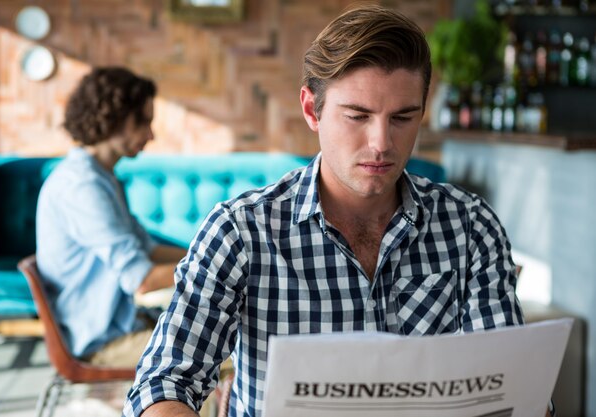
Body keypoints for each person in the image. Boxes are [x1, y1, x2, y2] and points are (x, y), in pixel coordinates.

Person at [122, 6, 553, 417]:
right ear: (312, 109)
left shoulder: (470, 227)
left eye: (403, 117)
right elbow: (164, 382)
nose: (382, 143)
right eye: (358, 116)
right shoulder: (240, 231)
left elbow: (510, 383)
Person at [36, 66, 186, 367]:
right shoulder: (82, 187)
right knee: (228, 349)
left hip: (125, 323)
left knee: (225, 332)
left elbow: (150, 250)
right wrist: (215, 266)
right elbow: (141, 280)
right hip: (102, 342)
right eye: (142, 122)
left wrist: (217, 255)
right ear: (113, 118)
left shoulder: (102, 178)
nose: (151, 134)